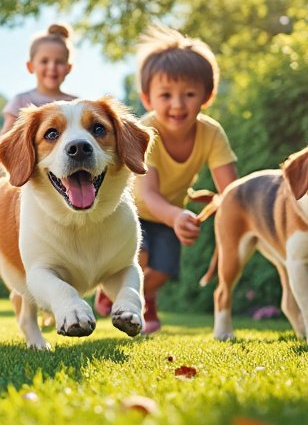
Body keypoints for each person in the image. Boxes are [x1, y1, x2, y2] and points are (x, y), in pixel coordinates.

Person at [100, 26, 238, 333]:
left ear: (207, 95)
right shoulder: (146, 132)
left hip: (169, 215)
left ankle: (141, 295)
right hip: (133, 211)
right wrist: (177, 216)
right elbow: (147, 193)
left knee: (162, 271)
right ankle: (119, 291)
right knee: (141, 256)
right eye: (166, 95)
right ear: (147, 98)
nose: (177, 104)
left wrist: (224, 203)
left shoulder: (212, 133)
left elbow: (231, 189)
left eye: (189, 94)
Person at [0, 23, 79, 179]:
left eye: (59, 62)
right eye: (44, 61)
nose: (52, 67)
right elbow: (6, 137)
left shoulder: (76, 103)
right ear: (30, 66)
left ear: (69, 68)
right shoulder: (21, 101)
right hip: (28, 176)